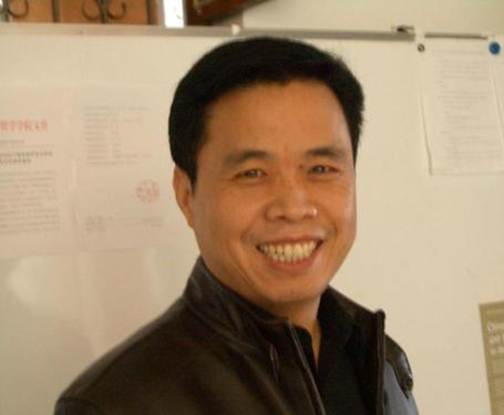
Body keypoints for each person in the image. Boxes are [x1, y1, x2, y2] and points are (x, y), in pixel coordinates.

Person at [55, 36, 418, 415]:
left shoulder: (380, 360)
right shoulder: (115, 405)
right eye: (252, 173)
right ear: (186, 195)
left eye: (321, 169)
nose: (293, 207)